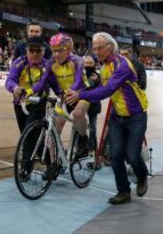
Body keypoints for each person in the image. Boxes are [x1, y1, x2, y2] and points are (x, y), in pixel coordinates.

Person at [65, 32, 149, 205]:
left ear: (111, 47)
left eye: (100, 48)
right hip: (118, 117)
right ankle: (123, 191)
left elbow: (108, 90)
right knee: (116, 156)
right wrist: (83, 92)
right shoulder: (104, 66)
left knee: (132, 155)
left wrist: (81, 95)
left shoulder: (122, 64)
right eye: (94, 48)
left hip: (136, 117)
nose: (97, 52)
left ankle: (142, 177)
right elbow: (103, 87)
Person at [5, 36, 55, 181]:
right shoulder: (19, 62)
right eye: (31, 51)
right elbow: (10, 80)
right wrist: (14, 87)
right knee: (31, 137)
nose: (35, 54)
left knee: (29, 135)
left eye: (38, 51)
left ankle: (26, 168)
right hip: (20, 104)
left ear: (43, 51)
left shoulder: (47, 65)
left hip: (38, 104)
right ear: (26, 51)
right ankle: (51, 164)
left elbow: (54, 83)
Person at [83, 56, 102, 152]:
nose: (88, 65)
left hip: (93, 105)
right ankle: (82, 146)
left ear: (94, 64)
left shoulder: (98, 76)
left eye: (90, 63)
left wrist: (98, 81)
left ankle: (93, 148)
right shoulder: (80, 74)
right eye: (86, 63)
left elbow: (102, 89)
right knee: (78, 126)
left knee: (92, 128)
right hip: (80, 104)